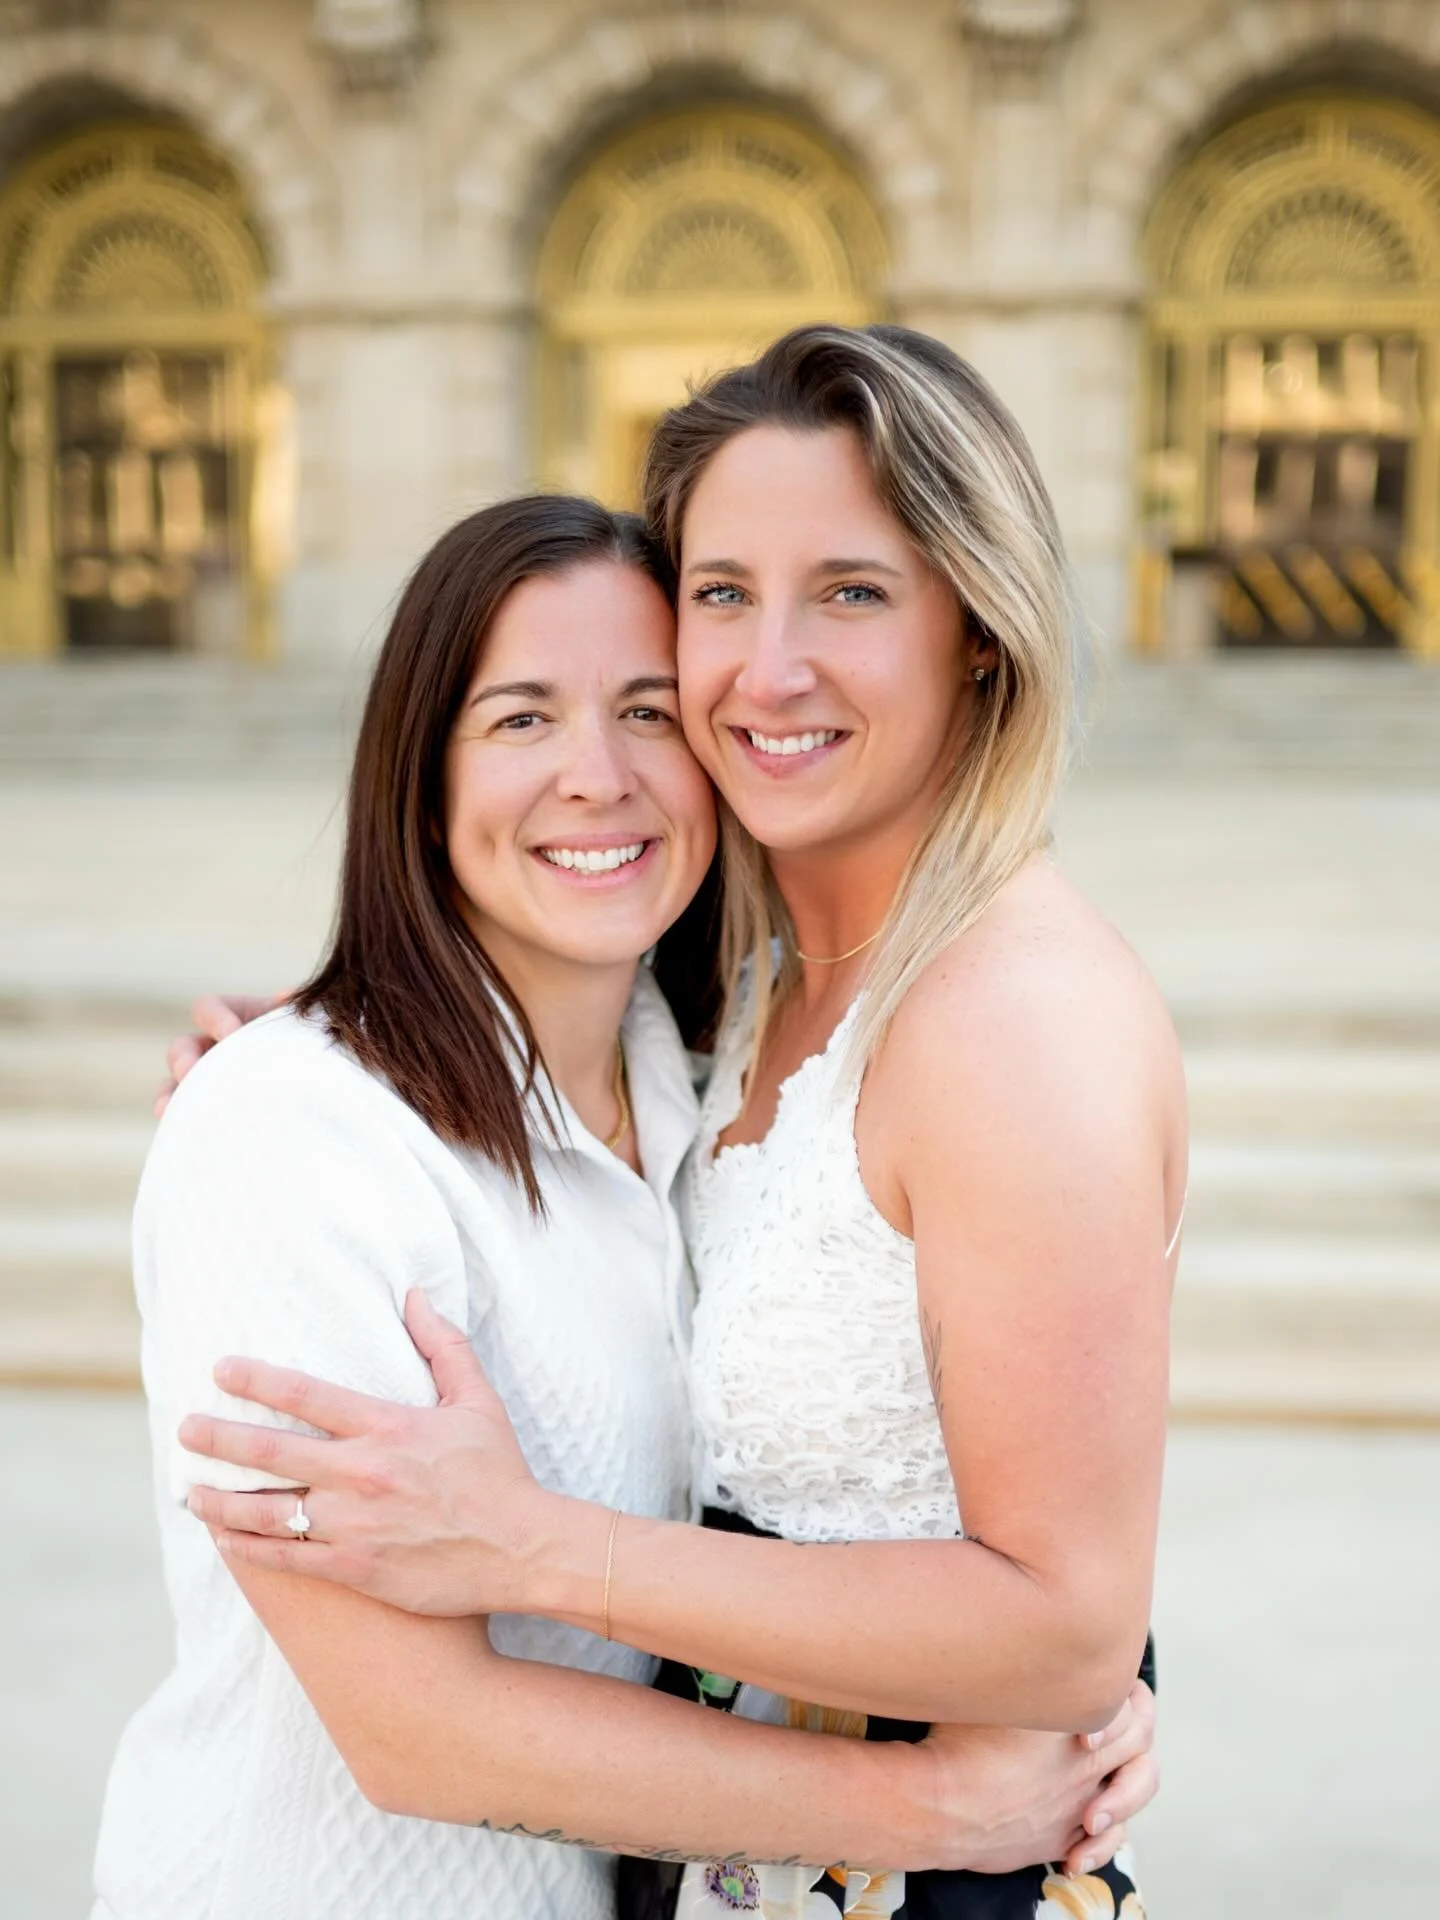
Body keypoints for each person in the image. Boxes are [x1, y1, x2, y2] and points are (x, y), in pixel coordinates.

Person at [163, 325, 1179, 1919]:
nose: (766, 671)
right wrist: (313, 1057)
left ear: (979, 627)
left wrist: (532, 1545)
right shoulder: (730, 1006)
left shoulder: (1014, 1022)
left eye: (851, 591)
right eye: (721, 594)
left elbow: (1068, 1624)